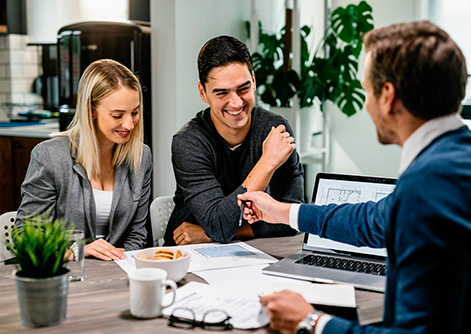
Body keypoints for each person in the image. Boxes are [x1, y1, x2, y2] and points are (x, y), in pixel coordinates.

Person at [238, 21, 471, 333]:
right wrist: (281, 211)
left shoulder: (430, 186)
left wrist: (311, 321)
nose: (365, 103)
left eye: (366, 89)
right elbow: (374, 220)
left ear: (388, 96)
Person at [163, 35, 303, 246]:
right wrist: (267, 163)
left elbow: (292, 217)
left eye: (243, 88)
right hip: (191, 254)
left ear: (254, 82)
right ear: (203, 92)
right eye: (221, 93)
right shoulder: (188, 142)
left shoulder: (275, 131)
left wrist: (212, 232)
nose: (236, 103)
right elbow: (219, 224)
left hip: (253, 252)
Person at [16, 59, 152, 261]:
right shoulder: (50, 156)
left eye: (135, 112)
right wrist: (76, 252)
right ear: (91, 111)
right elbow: (26, 237)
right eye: (117, 115)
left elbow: (137, 233)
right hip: (65, 274)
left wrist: (116, 265)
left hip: (118, 272)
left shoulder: (141, 157)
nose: (129, 124)